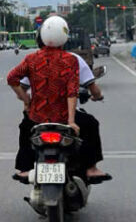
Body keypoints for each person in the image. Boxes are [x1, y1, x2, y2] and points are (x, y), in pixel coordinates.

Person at [6, 15, 111, 185]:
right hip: (63, 117)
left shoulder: (31, 59)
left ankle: (25, 169)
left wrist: (26, 100)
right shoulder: (70, 60)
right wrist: (71, 121)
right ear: (65, 37)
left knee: (25, 128)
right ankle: (91, 168)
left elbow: (11, 78)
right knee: (91, 124)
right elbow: (72, 92)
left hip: (37, 117)